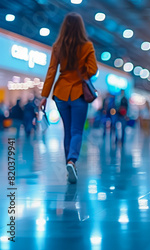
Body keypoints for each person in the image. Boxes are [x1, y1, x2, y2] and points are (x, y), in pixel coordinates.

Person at [39, 12, 98, 184]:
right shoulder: (87, 46)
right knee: (77, 131)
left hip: (61, 93)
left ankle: (69, 164)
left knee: (68, 130)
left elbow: (51, 71)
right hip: (79, 92)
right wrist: (82, 69)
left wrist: (44, 96)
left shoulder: (58, 46)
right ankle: (72, 161)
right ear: (81, 27)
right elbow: (93, 70)